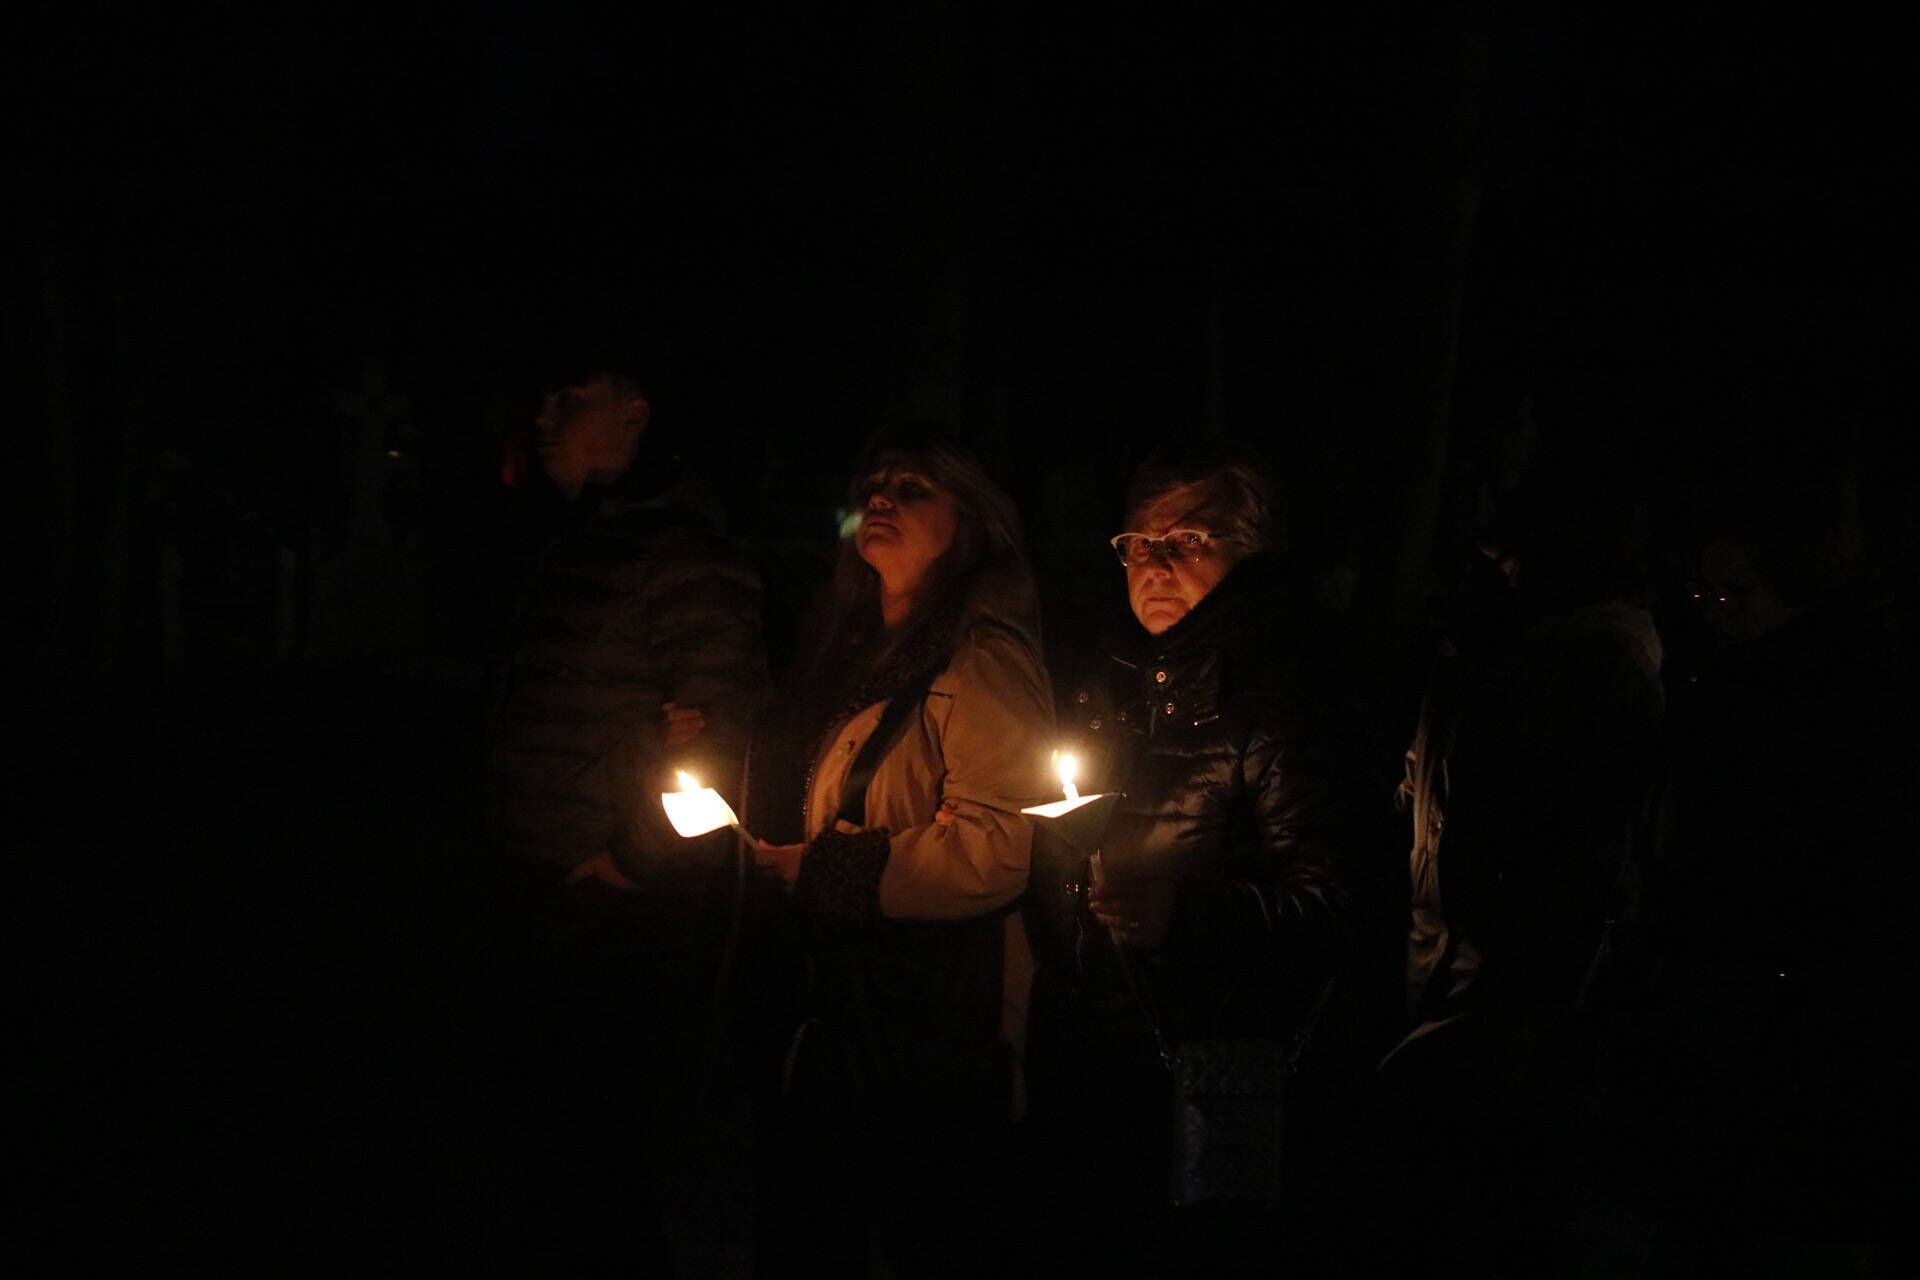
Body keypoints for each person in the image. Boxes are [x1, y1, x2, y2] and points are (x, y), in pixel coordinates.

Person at [1022, 439, 1394, 1274]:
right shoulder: (1123, 675)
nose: (1154, 563)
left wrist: (1183, 917)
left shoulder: (1289, 687)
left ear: (1254, 547)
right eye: (1138, 543)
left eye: (1189, 540)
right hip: (1105, 1069)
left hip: (1216, 1082)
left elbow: (1341, 901)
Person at [738, 429, 1054, 1278]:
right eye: (875, 482)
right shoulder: (852, 658)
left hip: (932, 1024)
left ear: (971, 523)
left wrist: (829, 867)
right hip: (840, 1011)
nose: (882, 496)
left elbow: (1001, 844)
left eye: (913, 487)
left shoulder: (981, 660)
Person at [487, 363, 767, 1274]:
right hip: (546, 889)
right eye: (544, 396)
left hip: (614, 914)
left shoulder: (680, 553)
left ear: (637, 414)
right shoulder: (568, 541)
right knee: (558, 1167)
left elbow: (722, 737)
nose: (544, 415)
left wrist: (627, 865)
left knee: (611, 1170)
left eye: (571, 398)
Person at [1382, 455, 1664, 1275]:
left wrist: (1500, 999)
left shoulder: (1584, 668)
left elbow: (1534, 850)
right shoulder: (1496, 661)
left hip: (1507, 1017)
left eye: (1511, 549)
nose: (1492, 560)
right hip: (1456, 991)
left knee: (1488, 1215)